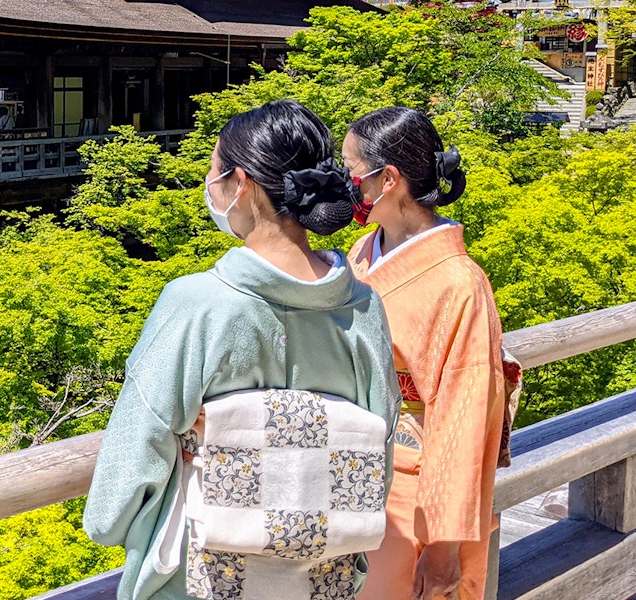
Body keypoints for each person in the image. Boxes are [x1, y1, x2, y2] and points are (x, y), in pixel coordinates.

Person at [84, 99, 399, 600]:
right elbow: (379, 452)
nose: (211, 185)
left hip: (199, 572)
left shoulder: (197, 304)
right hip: (322, 573)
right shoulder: (362, 306)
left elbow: (127, 472)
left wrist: (132, 528)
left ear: (243, 183)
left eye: (215, 172)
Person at [343, 107, 505, 600]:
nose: (345, 181)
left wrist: (443, 546)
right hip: (352, 470)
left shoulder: (459, 282)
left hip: (413, 484)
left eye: (351, 168)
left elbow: (464, 418)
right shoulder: (362, 251)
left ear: (387, 179)